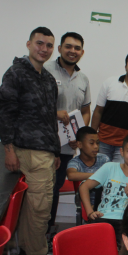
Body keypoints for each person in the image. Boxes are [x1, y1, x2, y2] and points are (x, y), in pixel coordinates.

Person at [0, 27, 59, 255]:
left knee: (33, 208)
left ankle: (26, 251)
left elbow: (49, 119)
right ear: (29, 44)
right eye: (39, 43)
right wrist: (9, 149)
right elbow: (5, 112)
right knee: (40, 209)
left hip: (43, 152)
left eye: (48, 45)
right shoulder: (16, 74)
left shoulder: (47, 79)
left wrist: (54, 150)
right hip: (26, 151)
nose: (43, 49)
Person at [44, 31, 91, 239]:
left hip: (66, 147)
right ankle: (39, 234)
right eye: (69, 46)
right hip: (43, 144)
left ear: (82, 52)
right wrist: (55, 113)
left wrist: (79, 137)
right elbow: (33, 106)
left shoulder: (83, 79)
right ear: (60, 48)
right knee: (43, 191)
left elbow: (86, 110)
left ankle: (47, 231)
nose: (73, 51)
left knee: (53, 190)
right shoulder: (45, 70)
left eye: (77, 48)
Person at [66, 127, 109, 210]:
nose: (96, 147)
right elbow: (71, 175)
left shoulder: (104, 159)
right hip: (87, 205)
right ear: (79, 144)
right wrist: (97, 176)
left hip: (105, 202)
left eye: (97, 143)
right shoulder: (75, 162)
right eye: (91, 143)